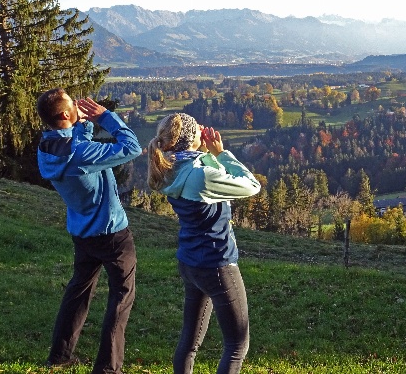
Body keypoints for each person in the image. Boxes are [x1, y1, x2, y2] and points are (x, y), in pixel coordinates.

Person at [36, 88, 142, 374]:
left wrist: (81, 125)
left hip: (82, 232)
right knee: (121, 295)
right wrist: (106, 117)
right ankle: (108, 368)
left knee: (78, 291)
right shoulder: (82, 153)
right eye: (73, 105)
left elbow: (73, 147)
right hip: (112, 234)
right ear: (65, 114)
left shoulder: (47, 148)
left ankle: (60, 354)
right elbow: (132, 147)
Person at [147, 113, 260, 374]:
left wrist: (208, 155)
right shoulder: (201, 176)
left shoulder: (171, 168)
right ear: (189, 139)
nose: (203, 131)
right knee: (236, 344)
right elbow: (251, 186)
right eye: (198, 129)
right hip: (217, 263)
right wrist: (223, 155)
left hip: (190, 260)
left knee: (190, 340)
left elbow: (204, 176)